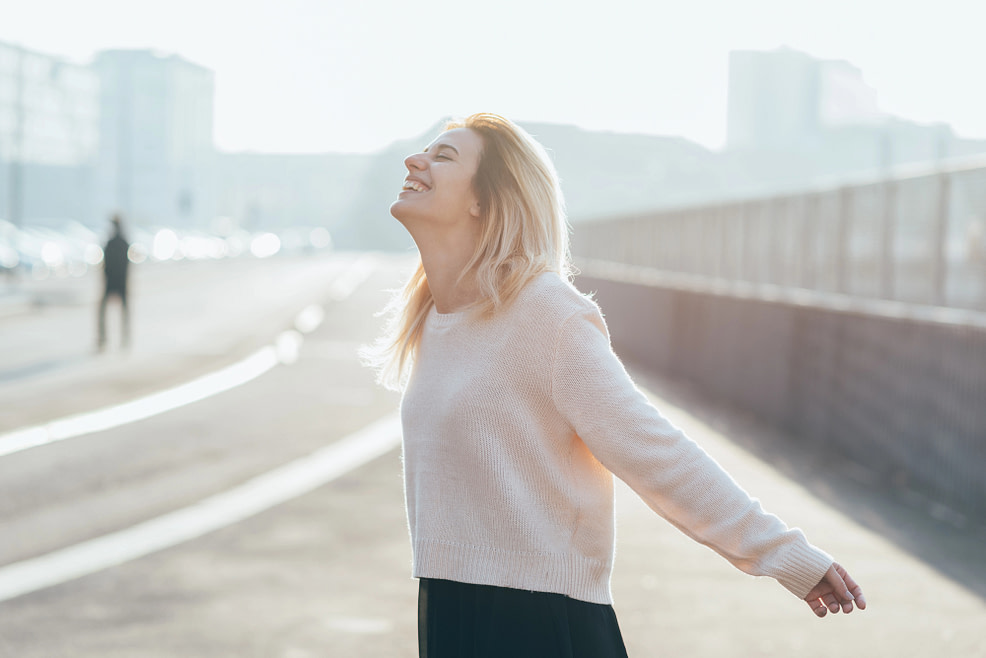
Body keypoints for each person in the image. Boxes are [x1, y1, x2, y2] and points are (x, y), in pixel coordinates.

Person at [365, 113, 865, 658]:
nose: (416, 160)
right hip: (447, 608)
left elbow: (656, 450)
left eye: (443, 156)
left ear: (486, 200)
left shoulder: (545, 314)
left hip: (536, 621)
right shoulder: (433, 322)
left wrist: (784, 554)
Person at [97, 213, 130, 351]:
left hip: (113, 282)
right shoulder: (123, 243)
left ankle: (105, 339)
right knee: (123, 312)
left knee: (105, 310)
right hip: (120, 283)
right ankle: (124, 338)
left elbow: (105, 265)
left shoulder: (112, 243)